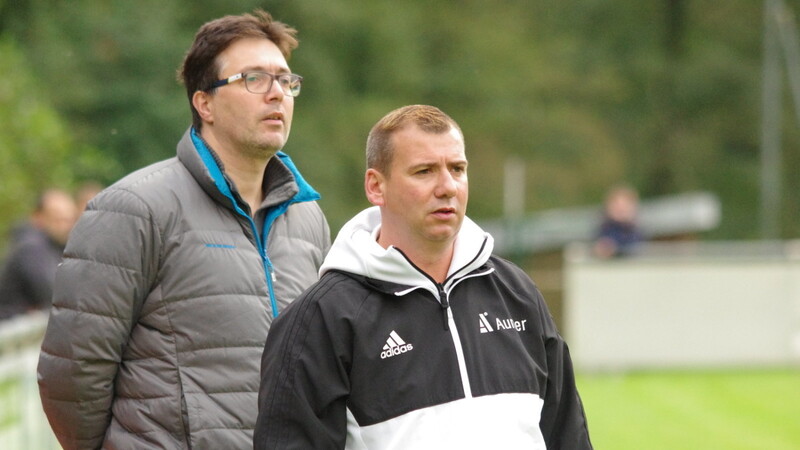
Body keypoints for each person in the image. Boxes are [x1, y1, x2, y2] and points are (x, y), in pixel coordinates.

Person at [37, 9, 330, 449]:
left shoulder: (308, 219)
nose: (277, 94)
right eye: (253, 79)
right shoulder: (133, 209)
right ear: (204, 102)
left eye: (287, 81)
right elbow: (73, 373)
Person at [255, 105, 592, 449]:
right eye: (424, 171)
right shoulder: (320, 320)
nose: (447, 187)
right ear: (376, 186)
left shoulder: (517, 294)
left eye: (457, 169)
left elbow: (569, 437)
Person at [0, 189, 77, 320]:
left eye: (70, 220)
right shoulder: (30, 247)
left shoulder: (56, 244)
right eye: (58, 219)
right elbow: (53, 293)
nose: (66, 226)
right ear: (38, 217)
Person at [592, 184, 643, 258]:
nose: (621, 210)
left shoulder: (638, 231)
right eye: (617, 206)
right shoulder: (604, 229)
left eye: (624, 207)